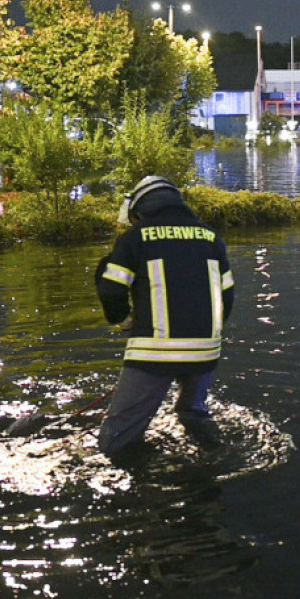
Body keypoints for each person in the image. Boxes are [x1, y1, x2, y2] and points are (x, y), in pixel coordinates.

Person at [94, 176, 235, 460]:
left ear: (140, 208)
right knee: (194, 416)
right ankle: (215, 455)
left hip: (153, 353)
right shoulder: (211, 238)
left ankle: (130, 481)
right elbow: (227, 295)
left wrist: (124, 322)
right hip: (205, 352)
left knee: (116, 440)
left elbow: (111, 288)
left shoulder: (136, 238)